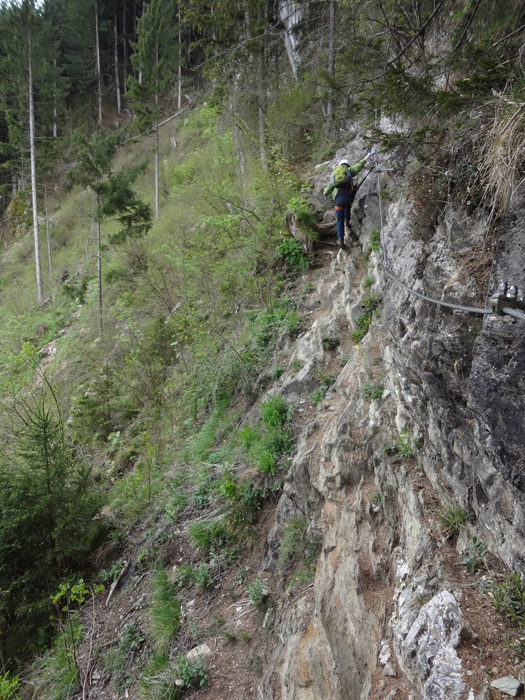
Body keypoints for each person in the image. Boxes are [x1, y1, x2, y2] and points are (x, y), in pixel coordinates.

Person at [324, 151, 375, 248]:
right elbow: (359, 165)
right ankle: (347, 223)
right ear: (347, 165)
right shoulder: (349, 171)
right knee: (347, 205)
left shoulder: (335, 174)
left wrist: (325, 194)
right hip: (348, 197)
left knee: (339, 220)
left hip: (338, 198)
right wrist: (368, 155)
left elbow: (329, 188)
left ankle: (340, 240)